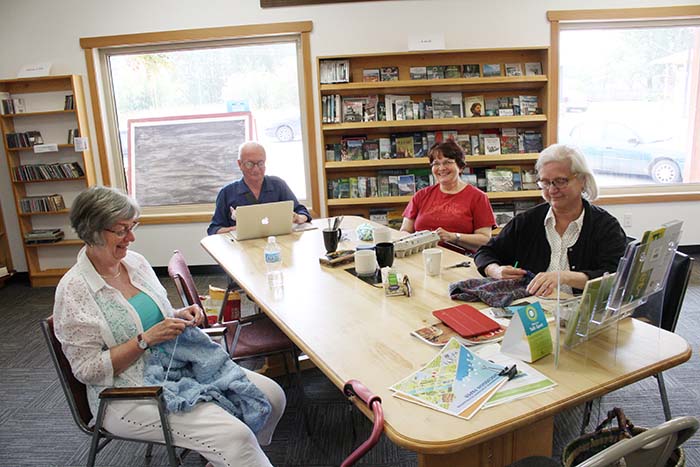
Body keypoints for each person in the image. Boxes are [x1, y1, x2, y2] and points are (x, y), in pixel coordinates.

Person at [54, 186, 285, 467]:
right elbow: (86, 369)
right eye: (121, 230)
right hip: (127, 393)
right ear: (92, 231)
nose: (132, 237)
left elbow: (151, 317)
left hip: (175, 366)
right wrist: (144, 341)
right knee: (235, 437)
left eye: (132, 226)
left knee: (272, 397)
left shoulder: (135, 263)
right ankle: (235, 455)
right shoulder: (75, 290)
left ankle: (229, 460)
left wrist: (178, 315)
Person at [474, 144, 627, 296]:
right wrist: (495, 270)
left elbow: (615, 277)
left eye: (560, 181)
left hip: (581, 311)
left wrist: (566, 277)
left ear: (583, 180)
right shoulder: (527, 221)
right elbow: (486, 252)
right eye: (545, 182)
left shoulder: (606, 226)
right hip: (532, 310)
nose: (552, 190)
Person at [401, 140, 496, 252]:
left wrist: (453, 237)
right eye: (436, 163)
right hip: (420, 260)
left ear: (460, 167)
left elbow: (485, 240)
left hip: (461, 263)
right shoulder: (421, 195)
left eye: (447, 162)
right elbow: (404, 231)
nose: (441, 168)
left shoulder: (478, 197)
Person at [208, 141, 311, 235]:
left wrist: (298, 218)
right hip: (241, 250)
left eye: (260, 163)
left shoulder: (278, 185)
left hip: (277, 245)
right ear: (240, 164)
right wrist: (237, 229)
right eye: (250, 164)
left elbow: (302, 212)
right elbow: (214, 230)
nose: (256, 169)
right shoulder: (227, 192)